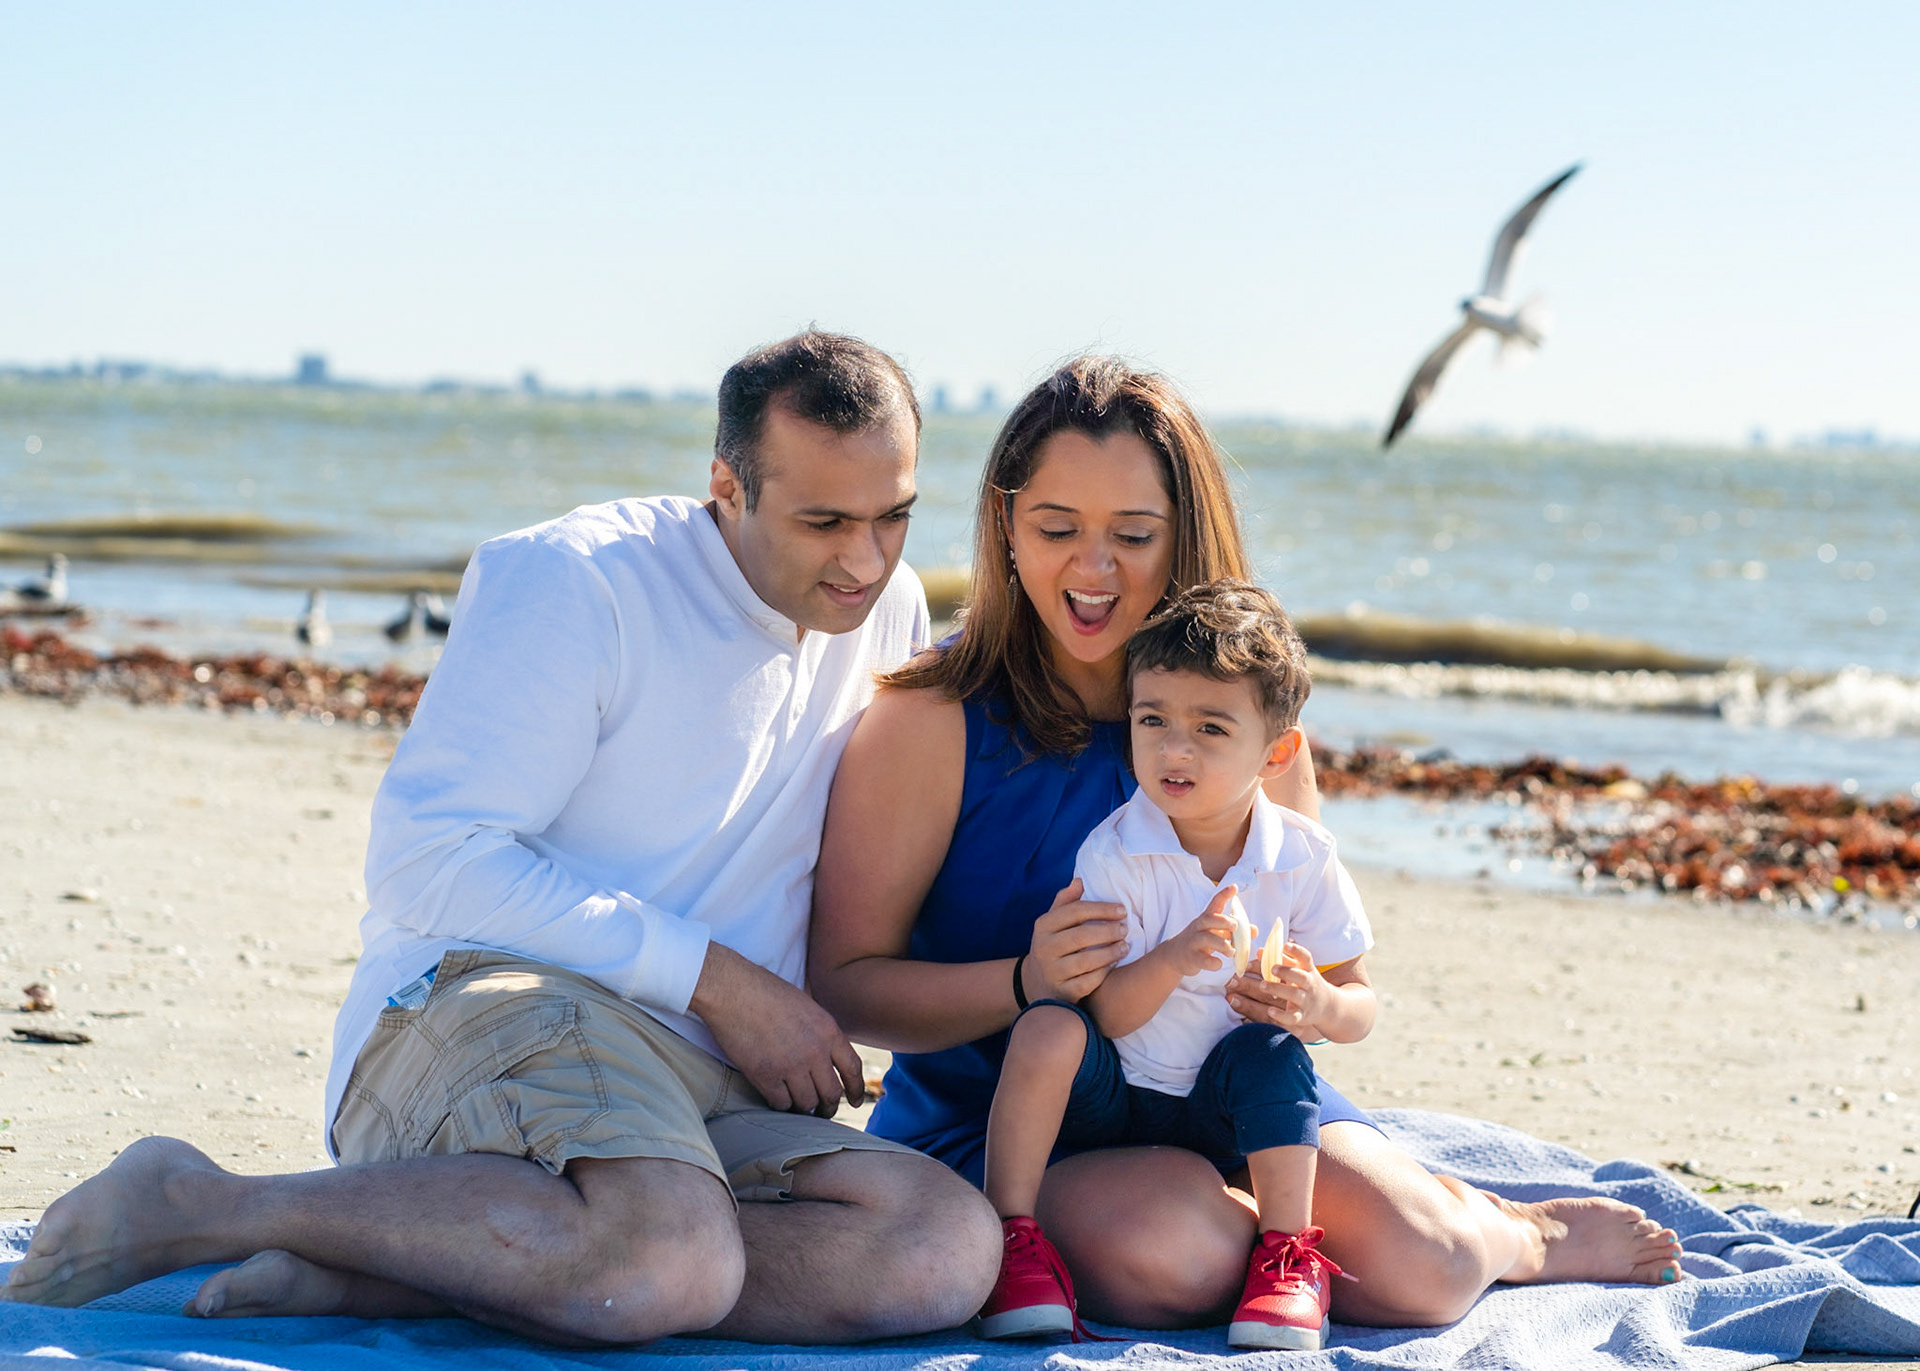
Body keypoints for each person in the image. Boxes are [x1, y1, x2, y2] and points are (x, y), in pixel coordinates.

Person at [4, 331, 1003, 1346]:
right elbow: (426, 860)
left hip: (705, 1087)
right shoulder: (580, 582)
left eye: (894, 516)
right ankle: (206, 1203)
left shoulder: (886, 611)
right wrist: (718, 981)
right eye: (824, 521)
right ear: (726, 487)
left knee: (941, 1249)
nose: (865, 560)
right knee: (666, 1256)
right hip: (488, 1007)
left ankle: (403, 1269)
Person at [811, 355, 1683, 1334]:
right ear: (1006, 527)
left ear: (1184, 534)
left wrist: (1296, 999)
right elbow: (846, 985)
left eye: (1133, 535)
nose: (1093, 571)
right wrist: (1026, 982)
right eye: (1057, 530)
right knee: (1181, 1254)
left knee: (1430, 1267)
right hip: (1011, 1124)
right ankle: (1265, 1230)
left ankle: (1513, 1229)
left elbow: (1317, 961)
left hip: (1223, 1100)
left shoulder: (1246, 720)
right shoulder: (930, 718)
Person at [977, 580, 1377, 1352]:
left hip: (1223, 1107)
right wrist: (1173, 957)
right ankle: (1012, 1242)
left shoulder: (1301, 856)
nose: (1174, 749)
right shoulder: (1115, 851)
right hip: (1113, 1100)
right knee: (1048, 1028)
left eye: (1210, 727)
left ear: (1276, 752)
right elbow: (1103, 1012)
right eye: (1152, 719)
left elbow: (1360, 1002)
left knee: (1275, 1049)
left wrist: (1319, 1004)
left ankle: (1285, 1258)